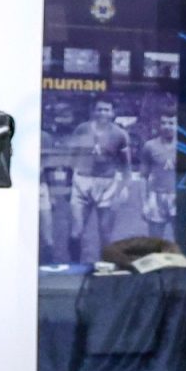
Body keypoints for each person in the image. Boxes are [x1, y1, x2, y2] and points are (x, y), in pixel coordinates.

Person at [69, 98, 131, 263]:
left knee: (104, 232)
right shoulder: (82, 129)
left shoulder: (120, 134)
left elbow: (126, 167)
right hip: (82, 180)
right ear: (93, 111)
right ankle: (74, 266)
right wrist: (69, 183)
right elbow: (72, 157)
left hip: (106, 183)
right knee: (76, 231)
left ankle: (105, 267)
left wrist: (120, 191)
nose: (103, 113)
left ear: (113, 113)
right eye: (100, 109)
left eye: (106, 110)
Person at [140, 113, 180, 240]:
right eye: (164, 123)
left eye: (171, 123)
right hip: (157, 196)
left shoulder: (185, 146)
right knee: (155, 242)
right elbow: (143, 177)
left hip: (178, 196)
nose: (167, 126)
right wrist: (144, 203)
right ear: (159, 125)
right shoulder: (150, 146)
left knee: (182, 240)